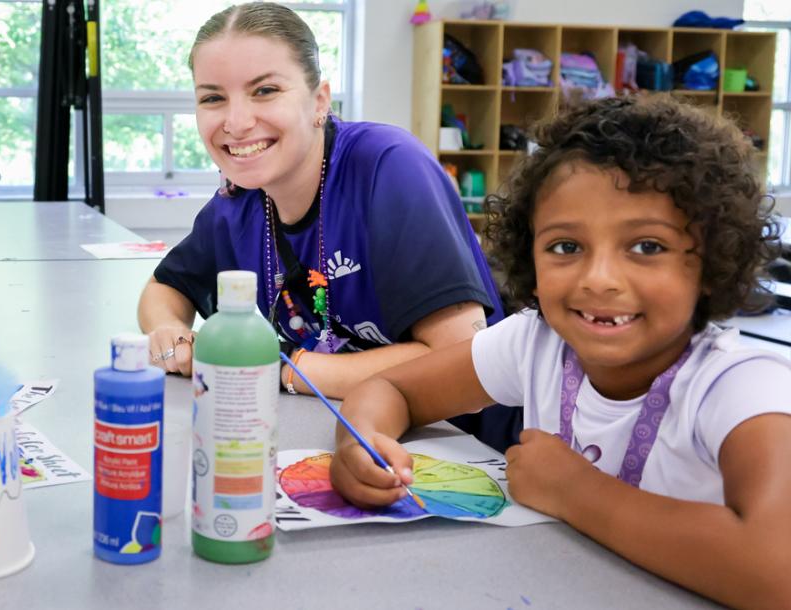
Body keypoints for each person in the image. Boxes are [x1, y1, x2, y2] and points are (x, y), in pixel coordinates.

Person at [330, 95, 791, 608]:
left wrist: (576, 492)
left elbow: (778, 570)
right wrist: (361, 442)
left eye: (647, 247)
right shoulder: (538, 340)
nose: (599, 280)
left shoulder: (742, 385)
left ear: (712, 262)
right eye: (566, 247)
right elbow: (392, 388)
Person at [139, 2, 503, 407]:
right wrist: (171, 334)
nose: (237, 122)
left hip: (464, 438)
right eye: (212, 98)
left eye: (265, 90)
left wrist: (289, 370)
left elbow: (461, 359)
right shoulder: (238, 203)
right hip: (348, 421)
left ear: (319, 101)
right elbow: (165, 287)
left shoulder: (387, 167)